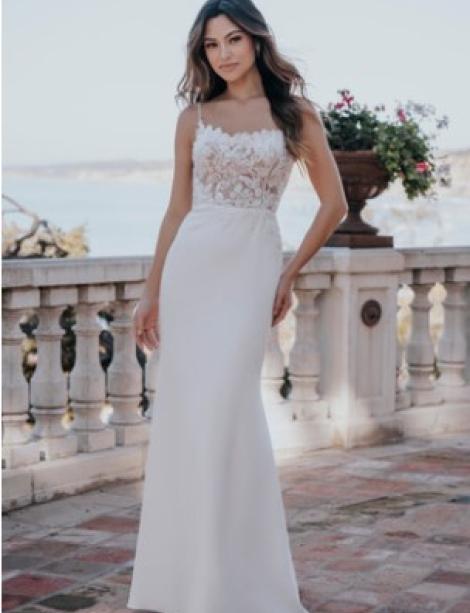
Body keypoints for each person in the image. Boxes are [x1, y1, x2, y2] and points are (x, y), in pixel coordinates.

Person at [127, 0, 348, 611]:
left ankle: (240, 581)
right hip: (193, 270)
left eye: (233, 40)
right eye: (210, 45)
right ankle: (182, 582)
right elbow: (177, 210)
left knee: (229, 411)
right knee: (188, 420)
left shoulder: (294, 114)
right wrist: (152, 292)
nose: (223, 54)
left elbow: (334, 206)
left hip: (251, 268)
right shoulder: (194, 118)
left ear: (256, 40)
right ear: (202, 54)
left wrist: (288, 271)